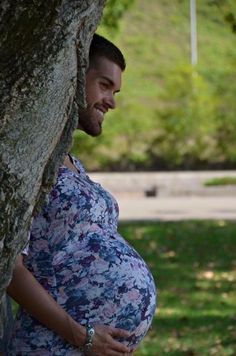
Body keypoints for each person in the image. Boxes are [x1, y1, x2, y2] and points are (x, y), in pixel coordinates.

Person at [7, 34, 156, 355]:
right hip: (51, 345)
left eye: (115, 91)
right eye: (104, 85)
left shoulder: (70, 161)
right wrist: (82, 335)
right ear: (73, 78)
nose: (112, 101)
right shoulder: (25, 160)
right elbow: (9, 267)